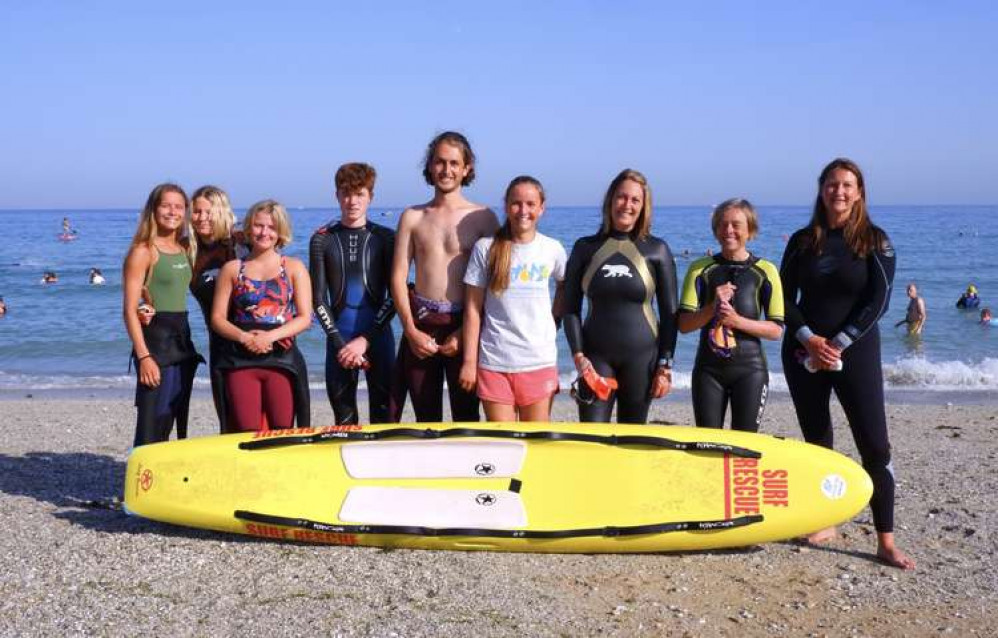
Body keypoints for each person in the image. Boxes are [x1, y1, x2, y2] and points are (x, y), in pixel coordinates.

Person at [780, 157, 914, 570]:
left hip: (854, 353)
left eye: (847, 185)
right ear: (821, 191)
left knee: (874, 443)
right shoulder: (803, 241)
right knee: (818, 442)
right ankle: (826, 520)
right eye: (832, 185)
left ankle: (885, 540)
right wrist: (810, 340)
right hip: (804, 351)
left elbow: (880, 301)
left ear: (859, 192)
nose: (839, 192)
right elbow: (782, 299)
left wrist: (836, 344)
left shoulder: (875, 241)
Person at [390, 131, 499, 422]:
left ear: (467, 168)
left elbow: (495, 284)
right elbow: (398, 276)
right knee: (426, 418)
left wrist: (465, 334)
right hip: (422, 324)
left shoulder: (484, 217)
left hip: (465, 324)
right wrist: (410, 331)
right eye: (439, 162)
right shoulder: (412, 216)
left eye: (454, 163)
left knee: (466, 417)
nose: (446, 170)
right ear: (429, 166)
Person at [562, 169, 678, 424]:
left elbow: (671, 315)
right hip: (595, 359)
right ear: (610, 200)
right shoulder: (585, 248)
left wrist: (665, 365)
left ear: (643, 206)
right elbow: (570, 308)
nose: (627, 205)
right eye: (621, 197)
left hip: (642, 360)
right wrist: (579, 357)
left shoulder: (657, 250)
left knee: (632, 441)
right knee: (592, 440)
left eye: (635, 200)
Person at [459, 175, 567, 422]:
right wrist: (469, 362)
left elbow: (564, 285)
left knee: (537, 443)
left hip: (539, 360)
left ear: (542, 207)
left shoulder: (552, 249)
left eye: (531, 204)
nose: (523, 211)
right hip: (495, 362)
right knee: (502, 445)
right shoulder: (485, 248)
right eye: (516, 203)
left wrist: (554, 318)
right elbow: (472, 310)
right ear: (506, 206)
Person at [678, 198, 784, 432]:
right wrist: (711, 308)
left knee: (744, 444)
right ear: (715, 229)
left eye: (736, 224)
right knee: (706, 444)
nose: (728, 230)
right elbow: (684, 325)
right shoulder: (700, 269)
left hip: (751, 371)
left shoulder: (766, 271)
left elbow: (776, 330)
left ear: (750, 230)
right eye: (722, 224)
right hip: (708, 371)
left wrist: (737, 321)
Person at [210, 200, 312, 432]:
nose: (264, 232)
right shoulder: (233, 269)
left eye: (272, 227)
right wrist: (246, 338)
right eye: (258, 226)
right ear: (248, 228)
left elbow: (305, 317)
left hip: (282, 359)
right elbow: (217, 319)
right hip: (241, 360)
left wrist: (271, 337)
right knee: (246, 429)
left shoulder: (294, 267)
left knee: (282, 429)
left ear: (281, 232)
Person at [310, 163, 396, 424]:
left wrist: (365, 340)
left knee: (384, 420)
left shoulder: (386, 238)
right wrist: (341, 345)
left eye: (359, 194)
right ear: (337, 195)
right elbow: (318, 300)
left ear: (371, 196)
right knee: (345, 422)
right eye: (346, 193)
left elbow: (395, 297)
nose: (352, 201)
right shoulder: (321, 239)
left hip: (378, 340)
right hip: (339, 343)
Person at [121, 183, 201, 446]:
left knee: (174, 415)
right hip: (156, 344)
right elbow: (130, 310)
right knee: (152, 419)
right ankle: (141, 483)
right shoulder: (143, 251)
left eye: (179, 206)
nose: (172, 211)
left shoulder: (185, 248)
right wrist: (144, 356)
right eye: (166, 205)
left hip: (182, 341)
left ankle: (164, 482)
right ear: (153, 209)